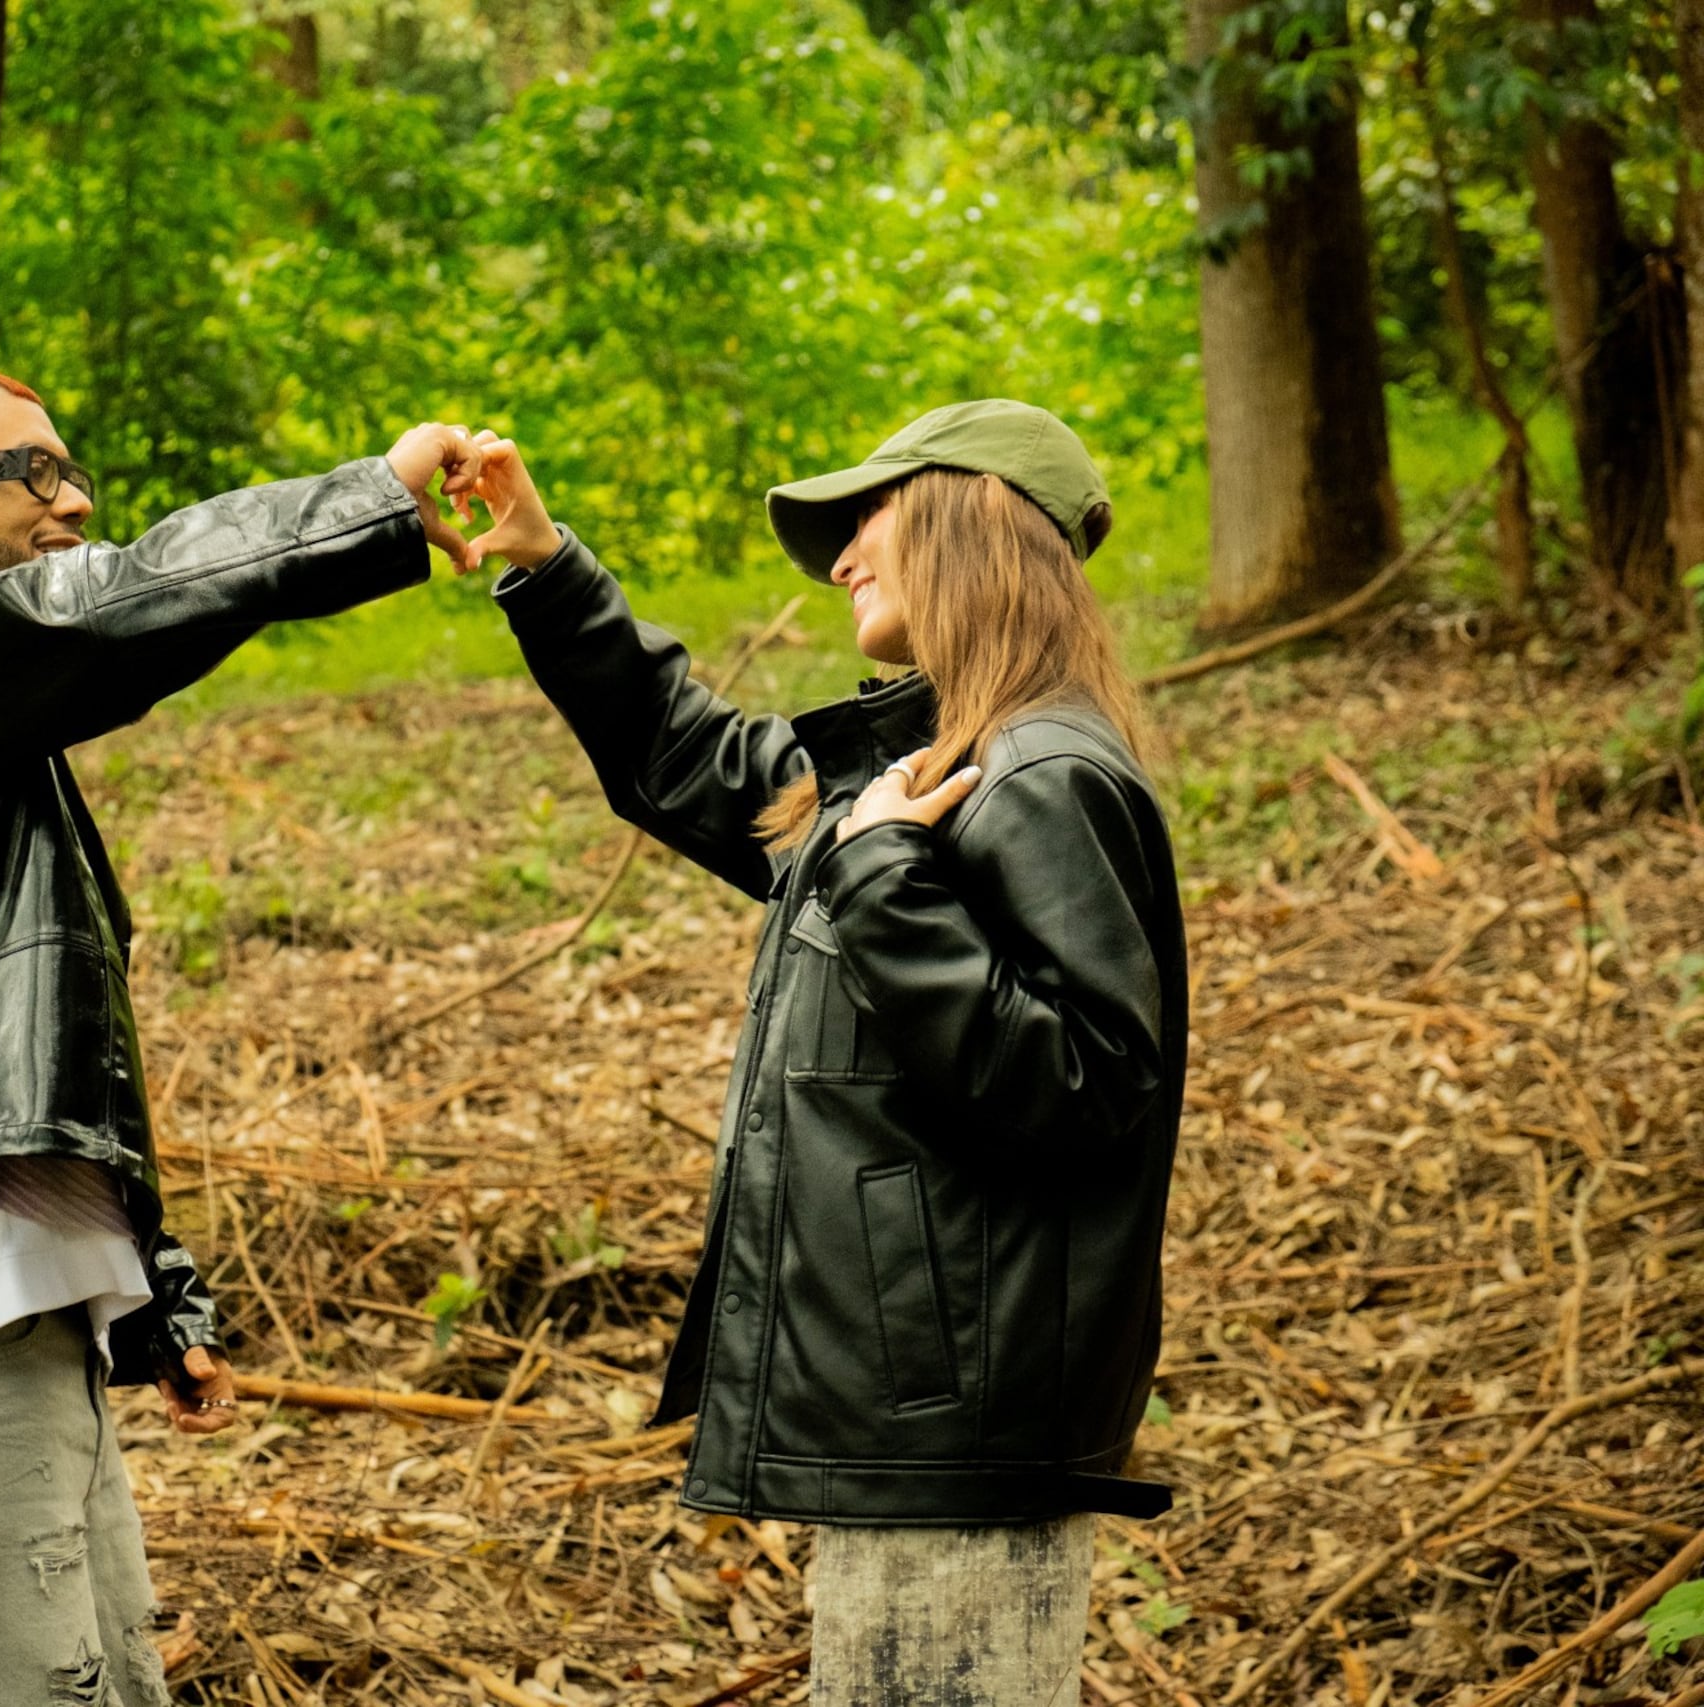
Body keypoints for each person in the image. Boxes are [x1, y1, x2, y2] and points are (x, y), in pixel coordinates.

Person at [0, 367, 483, 1707]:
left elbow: (27, 1048)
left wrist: (150, 1284)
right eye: (30, 475)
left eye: (72, 474)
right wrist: (362, 503)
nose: (71, 502)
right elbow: (100, 608)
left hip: (8, 1316)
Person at [459, 401, 1187, 1706]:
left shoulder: (1039, 776)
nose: (842, 558)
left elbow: (1087, 1082)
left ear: (971, 526)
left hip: (962, 1447)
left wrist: (886, 877)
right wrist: (546, 566)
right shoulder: (924, 772)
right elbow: (695, 761)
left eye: (869, 521)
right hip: (918, 1433)